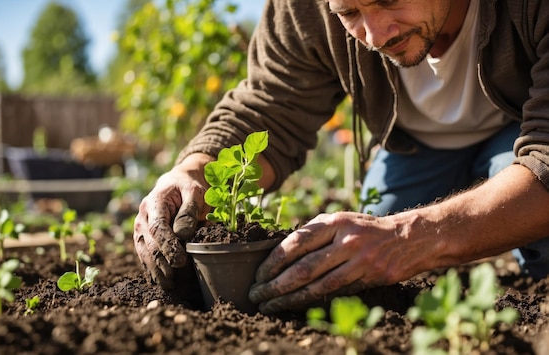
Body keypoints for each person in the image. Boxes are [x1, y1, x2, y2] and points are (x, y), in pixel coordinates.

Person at [133, 0, 549, 314]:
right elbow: (271, 107)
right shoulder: (305, 7)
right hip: (414, 144)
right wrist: (193, 172)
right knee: (361, 255)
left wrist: (409, 237)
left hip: (520, 128)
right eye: (348, 11)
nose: (376, 35)